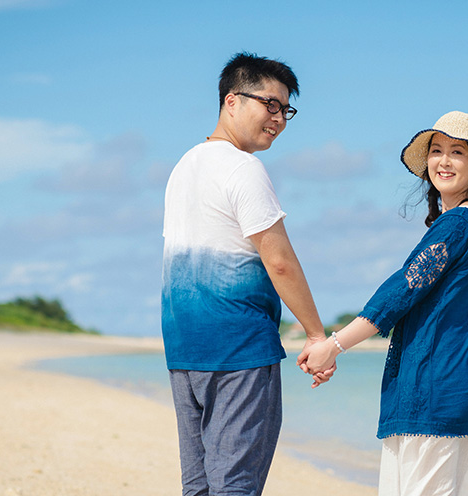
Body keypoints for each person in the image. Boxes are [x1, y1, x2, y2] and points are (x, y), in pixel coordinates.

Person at [298, 111, 468, 496]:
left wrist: (332, 345)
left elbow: (401, 291)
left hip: (436, 396)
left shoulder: (458, 224)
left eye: (456, 152)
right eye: (437, 150)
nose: (443, 161)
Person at [161, 52, 331, 496]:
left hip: (184, 348)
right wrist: (316, 335)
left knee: (198, 485)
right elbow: (279, 261)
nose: (279, 118)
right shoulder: (243, 168)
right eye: (269, 104)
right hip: (238, 347)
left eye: (285, 109)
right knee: (235, 484)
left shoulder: (183, 167)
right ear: (232, 101)